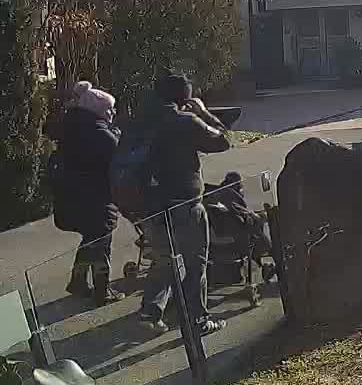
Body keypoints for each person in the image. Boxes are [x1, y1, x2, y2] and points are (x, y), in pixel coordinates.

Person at [136, 73, 232, 335]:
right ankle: (197, 319)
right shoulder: (185, 121)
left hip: (150, 204)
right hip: (185, 202)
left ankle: (151, 312)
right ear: (185, 97)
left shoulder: (140, 120)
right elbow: (223, 140)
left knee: (164, 259)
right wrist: (204, 113)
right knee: (195, 262)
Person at [48, 81, 121, 304]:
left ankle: (78, 281)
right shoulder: (101, 134)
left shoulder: (72, 128)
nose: (112, 113)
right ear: (97, 110)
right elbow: (118, 156)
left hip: (71, 197)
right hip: (96, 198)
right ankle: (102, 291)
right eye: (109, 109)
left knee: (91, 238)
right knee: (101, 242)